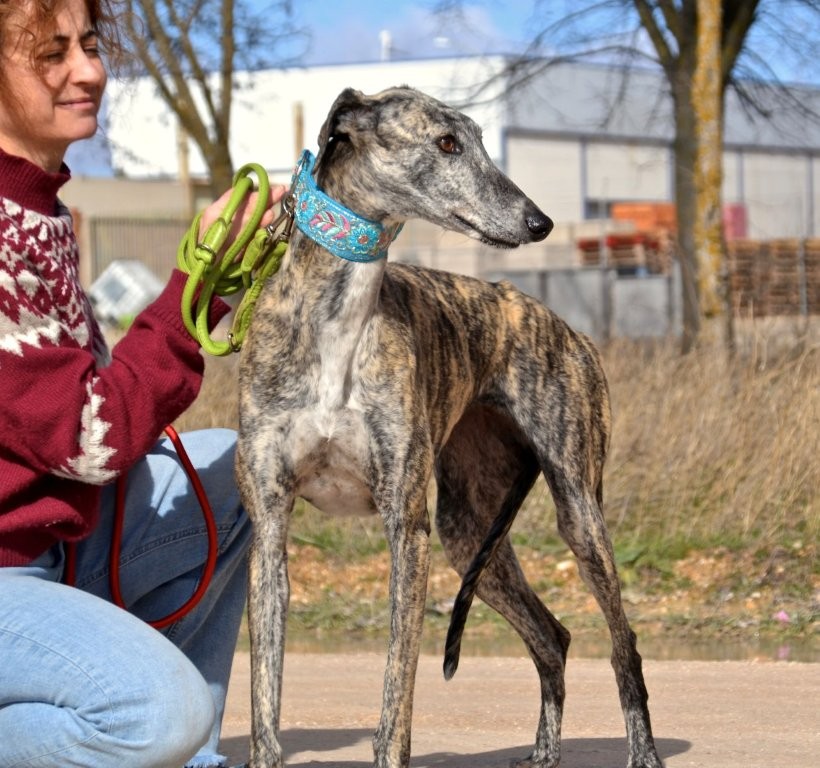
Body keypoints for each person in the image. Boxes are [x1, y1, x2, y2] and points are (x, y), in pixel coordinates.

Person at [0, 1, 284, 765]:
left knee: (237, 468)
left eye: (89, 45)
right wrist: (195, 287)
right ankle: (163, 736)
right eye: (50, 53)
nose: (89, 71)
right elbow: (94, 437)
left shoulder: (36, 207)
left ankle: (186, 753)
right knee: (156, 715)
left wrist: (216, 283)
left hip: (49, 552)